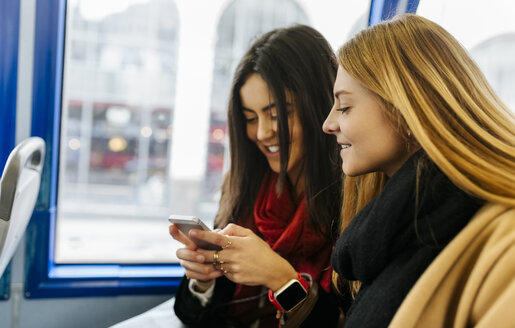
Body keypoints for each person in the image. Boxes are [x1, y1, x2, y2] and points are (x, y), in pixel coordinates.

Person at [321, 14, 515, 327]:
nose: (328, 124)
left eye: (344, 107)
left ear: (407, 107)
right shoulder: (399, 230)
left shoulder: (502, 236)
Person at [170, 25, 344, 327]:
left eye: (278, 114)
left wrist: (280, 277)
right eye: (250, 118)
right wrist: (203, 281)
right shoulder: (245, 189)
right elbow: (190, 313)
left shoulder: (352, 201)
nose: (262, 133)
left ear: (319, 107)